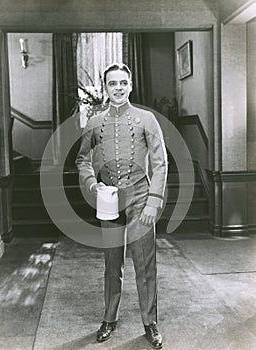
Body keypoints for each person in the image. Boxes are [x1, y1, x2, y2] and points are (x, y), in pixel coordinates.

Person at [75, 63, 167, 349]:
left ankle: (150, 322)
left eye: (123, 83)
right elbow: (82, 160)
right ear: (105, 87)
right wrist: (93, 185)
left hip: (140, 196)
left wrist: (154, 199)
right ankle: (109, 318)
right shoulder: (94, 122)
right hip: (110, 200)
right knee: (111, 262)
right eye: (112, 83)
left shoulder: (146, 119)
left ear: (131, 85)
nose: (118, 88)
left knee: (145, 263)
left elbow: (160, 162)